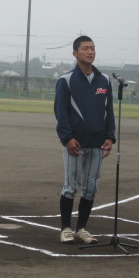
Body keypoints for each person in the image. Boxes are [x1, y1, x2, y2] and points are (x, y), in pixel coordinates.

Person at [54, 35, 115, 244]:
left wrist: (110, 136)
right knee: (71, 186)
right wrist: (67, 138)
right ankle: (65, 228)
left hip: (97, 143)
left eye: (93, 48)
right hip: (75, 144)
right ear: (75, 53)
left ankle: (81, 228)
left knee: (91, 188)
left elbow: (109, 111)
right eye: (85, 48)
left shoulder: (104, 80)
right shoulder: (66, 81)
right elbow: (61, 112)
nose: (90, 52)